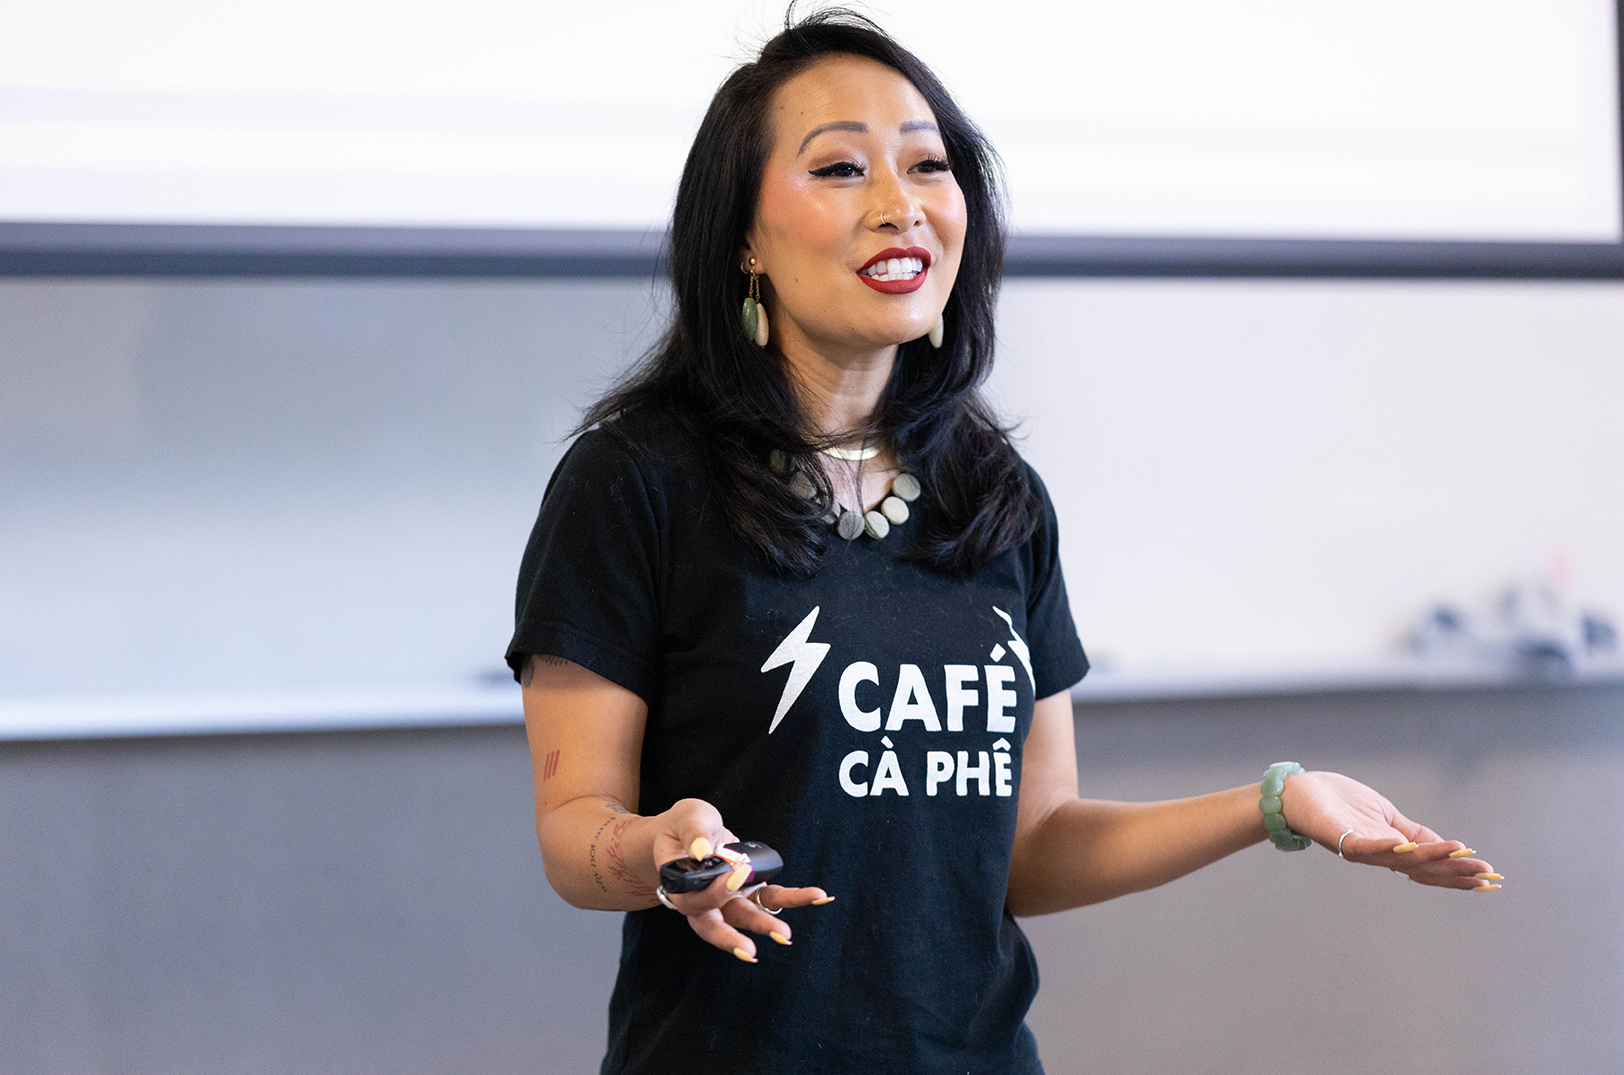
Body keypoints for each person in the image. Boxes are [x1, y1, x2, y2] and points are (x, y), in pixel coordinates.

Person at [506, 11, 1499, 1073]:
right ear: (742, 235)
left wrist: (1273, 801)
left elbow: (1029, 847)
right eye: (841, 168)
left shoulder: (996, 498)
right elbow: (574, 827)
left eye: (928, 166)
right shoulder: (635, 479)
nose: (901, 206)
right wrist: (659, 850)